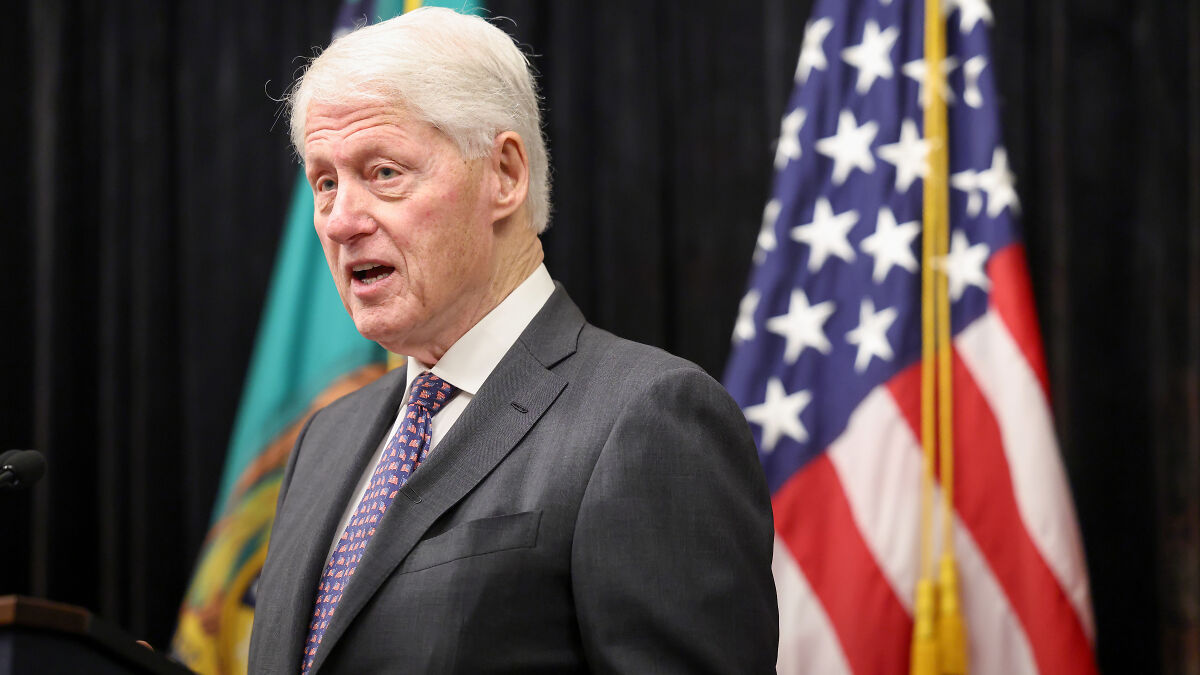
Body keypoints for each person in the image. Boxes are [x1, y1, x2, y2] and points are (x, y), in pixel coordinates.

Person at [247, 8, 778, 673]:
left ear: (503, 174)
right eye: (325, 182)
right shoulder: (322, 441)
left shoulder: (648, 419)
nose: (342, 219)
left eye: (383, 172)